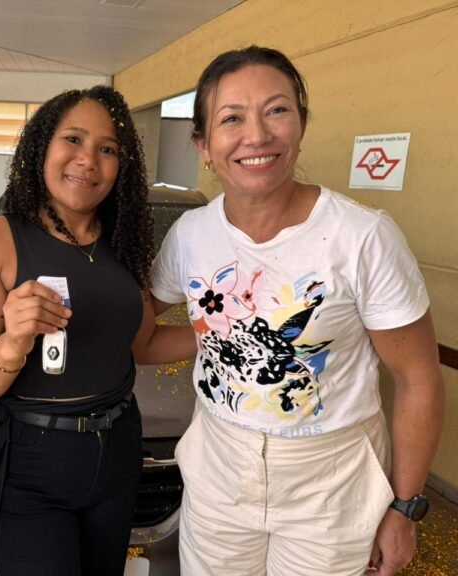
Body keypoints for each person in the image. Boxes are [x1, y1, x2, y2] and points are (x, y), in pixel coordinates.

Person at [149, 46, 445, 576]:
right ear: (204, 145)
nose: (256, 135)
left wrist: (405, 508)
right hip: (219, 472)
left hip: (330, 482)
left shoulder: (363, 237)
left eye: (277, 110)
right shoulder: (190, 235)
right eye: (231, 118)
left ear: (302, 125)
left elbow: (418, 379)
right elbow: (139, 326)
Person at [0, 85, 193, 576]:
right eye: (74, 139)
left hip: (119, 449)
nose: (88, 159)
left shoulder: (125, 243)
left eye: (108, 149)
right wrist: (13, 342)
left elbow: (143, 344)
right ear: (42, 146)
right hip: (32, 460)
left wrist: (224, 331)